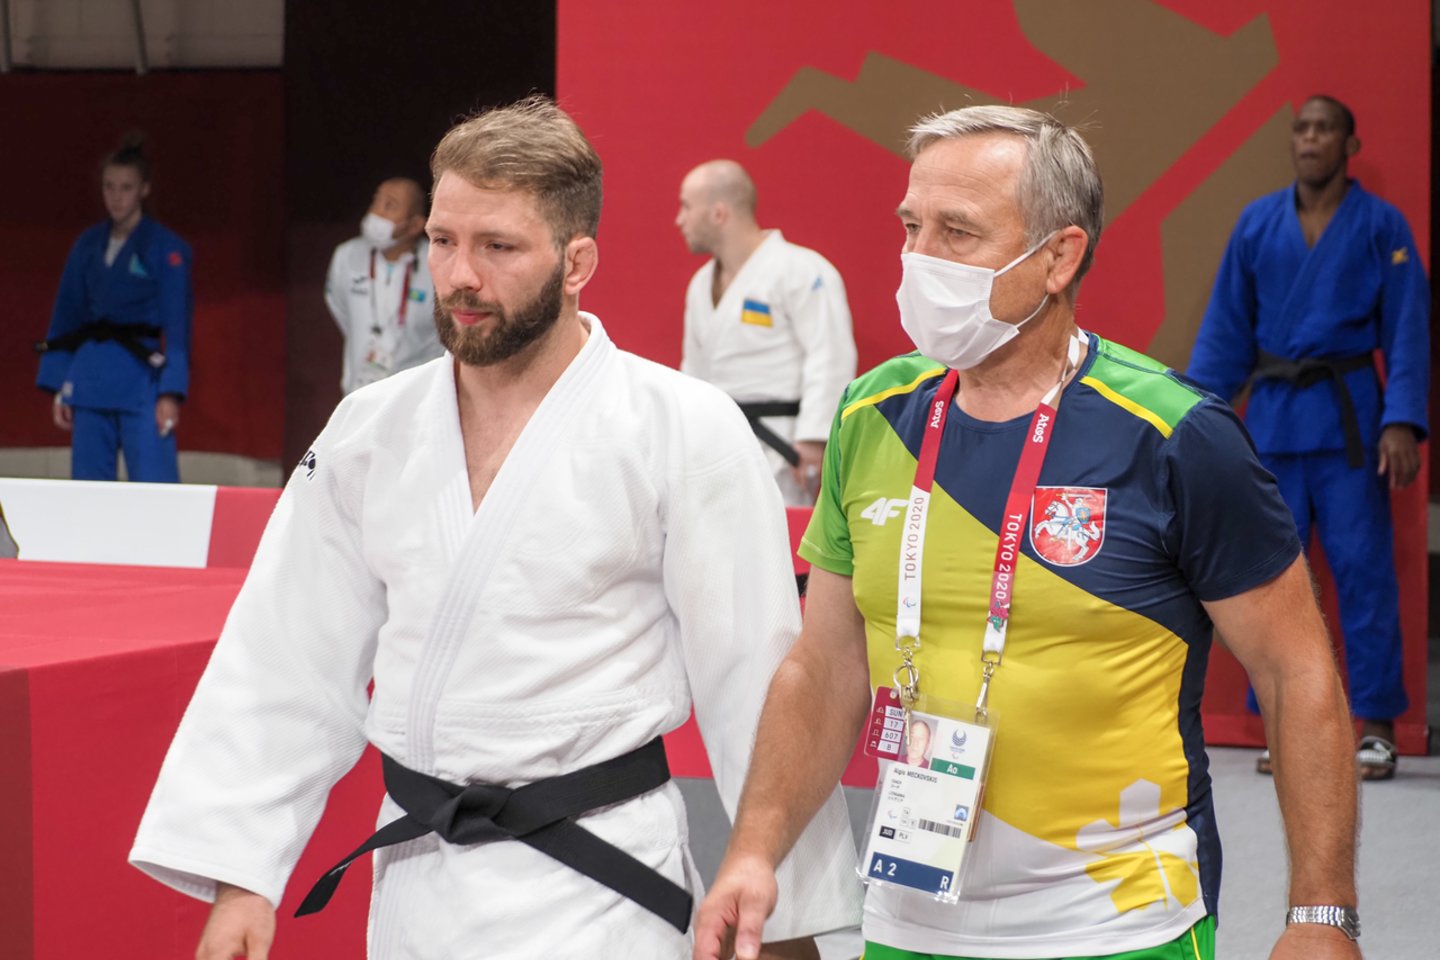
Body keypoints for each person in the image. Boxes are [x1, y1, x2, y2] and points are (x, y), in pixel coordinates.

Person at [129, 96, 859, 960]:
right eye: (443, 241)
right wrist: (242, 877)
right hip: (416, 880)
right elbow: (286, 651)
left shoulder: (681, 427)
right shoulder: (371, 427)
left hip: (601, 887)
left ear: (577, 261)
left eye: (498, 247)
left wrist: (782, 904)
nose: (460, 275)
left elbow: (754, 676)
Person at [696, 105, 1364, 960]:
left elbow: (1295, 671)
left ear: (1059, 256)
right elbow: (824, 668)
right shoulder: (872, 414)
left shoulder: (1172, 433)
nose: (919, 258)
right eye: (911, 227)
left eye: (958, 232)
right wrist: (754, 851)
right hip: (909, 918)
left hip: (1122, 923)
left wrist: (1321, 913)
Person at [1186, 94, 1428, 781]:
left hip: (1351, 423)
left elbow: (1407, 327)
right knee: (1272, 580)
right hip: (1273, 422)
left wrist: (1401, 420)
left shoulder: (1382, 226)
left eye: (1325, 129)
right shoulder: (1257, 223)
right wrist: (1195, 419)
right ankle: (1283, 720)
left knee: (1364, 572)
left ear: (1350, 146)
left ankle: (1376, 724)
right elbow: (1226, 330)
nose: (1311, 138)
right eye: (1302, 128)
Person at [676, 160, 857, 505]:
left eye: (686, 206)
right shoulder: (700, 284)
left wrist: (814, 438)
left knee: (782, 533)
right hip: (718, 443)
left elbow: (829, 354)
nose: (679, 220)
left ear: (718, 213)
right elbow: (693, 371)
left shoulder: (802, 270)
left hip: (783, 445)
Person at [35, 133, 193, 482]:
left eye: (126, 187)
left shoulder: (167, 248)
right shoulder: (87, 245)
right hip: (90, 374)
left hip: (143, 378)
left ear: (144, 189)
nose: (116, 197)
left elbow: (178, 330)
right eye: (109, 187)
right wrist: (61, 382)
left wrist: (170, 392)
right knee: (89, 492)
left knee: (156, 488)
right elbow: (66, 317)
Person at [324, 177, 444, 395]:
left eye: (390, 205)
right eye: (375, 201)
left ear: (415, 225)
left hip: (417, 393)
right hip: (359, 390)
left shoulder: (438, 263)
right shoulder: (347, 256)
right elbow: (341, 311)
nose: (375, 212)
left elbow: (443, 331)